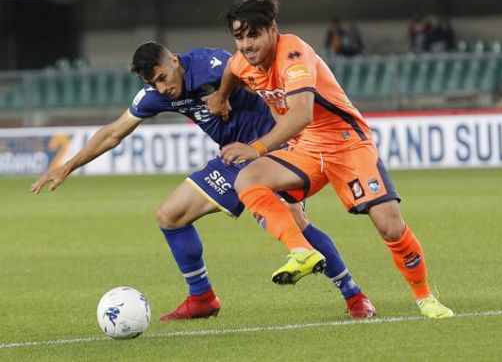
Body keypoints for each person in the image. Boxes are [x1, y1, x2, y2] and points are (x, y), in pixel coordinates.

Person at [30, 42, 376, 320]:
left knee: (298, 225)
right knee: (170, 215)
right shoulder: (156, 95)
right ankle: (202, 298)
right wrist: (69, 165)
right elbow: (113, 133)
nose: (163, 88)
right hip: (232, 157)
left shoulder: (210, 65)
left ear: (175, 61)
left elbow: (244, 69)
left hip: (274, 149)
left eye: (164, 77)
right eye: (153, 84)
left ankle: (354, 295)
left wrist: (223, 95)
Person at [207, 0, 454, 319]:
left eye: (253, 34)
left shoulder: (292, 53)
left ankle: (425, 298)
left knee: (390, 228)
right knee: (249, 179)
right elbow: (232, 72)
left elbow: (301, 115)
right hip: (307, 149)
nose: (246, 44)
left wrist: (256, 148)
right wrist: (222, 97)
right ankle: (300, 251)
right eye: (239, 37)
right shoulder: (242, 60)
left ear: (273, 29)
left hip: (347, 144)